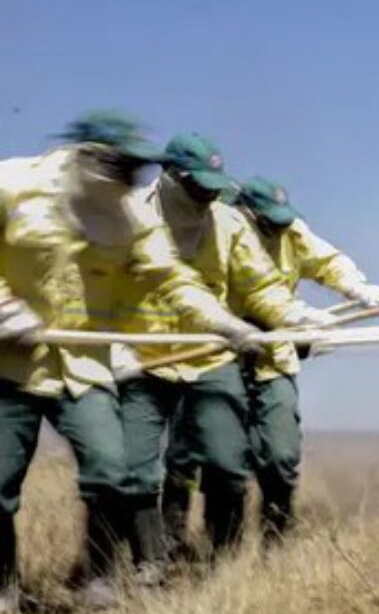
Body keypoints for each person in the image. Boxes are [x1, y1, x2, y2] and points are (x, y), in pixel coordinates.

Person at [0, 112, 264, 612]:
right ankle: (3, 588)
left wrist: (224, 323)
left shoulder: (132, 217)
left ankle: (97, 576)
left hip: (84, 366)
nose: (130, 180)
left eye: (136, 171)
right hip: (9, 367)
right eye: (122, 166)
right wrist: (6, 308)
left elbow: (172, 278)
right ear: (90, 156)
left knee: (111, 470)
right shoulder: (12, 185)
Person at [119, 133, 332, 570]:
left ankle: (223, 564)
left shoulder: (228, 223)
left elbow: (261, 288)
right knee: (137, 469)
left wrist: (296, 316)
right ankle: (150, 564)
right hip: (142, 359)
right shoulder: (129, 214)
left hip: (210, 358)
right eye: (197, 186)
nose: (206, 196)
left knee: (226, 463)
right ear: (171, 176)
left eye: (213, 187)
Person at [231, 175, 379, 539]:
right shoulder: (226, 232)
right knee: (222, 459)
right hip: (221, 358)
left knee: (281, 456)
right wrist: (303, 318)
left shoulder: (291, 231)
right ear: (248, 213)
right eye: (270, 220)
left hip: (274, 359)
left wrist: (354, 286)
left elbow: (325, 260)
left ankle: (276, 538)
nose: (279, 227)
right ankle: (223, 547)